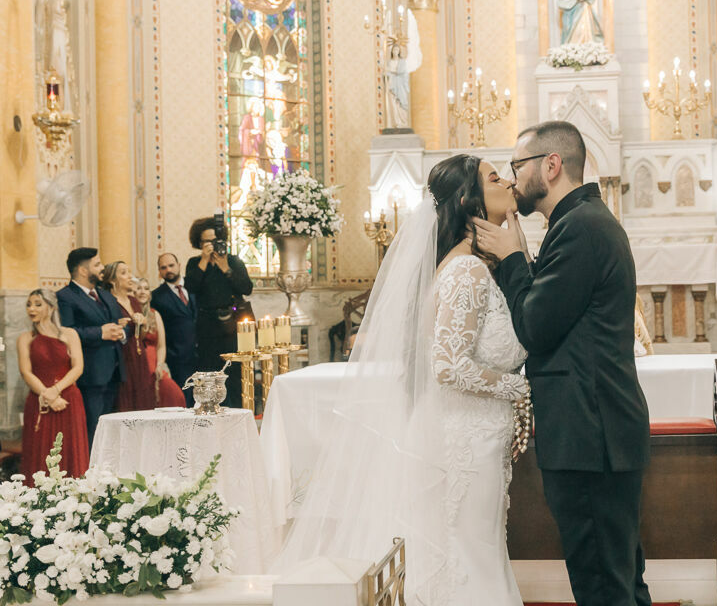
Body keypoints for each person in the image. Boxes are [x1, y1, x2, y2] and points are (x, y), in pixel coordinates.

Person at [276, 154, 531, 606]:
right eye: (495, 177)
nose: (508, 182)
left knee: (476, 553)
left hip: (478, 436)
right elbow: (449, 365)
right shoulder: (466, 270)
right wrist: (521, 389)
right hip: (464, 443)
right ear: (468, 199)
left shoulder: (479, 264)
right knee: (469, 560)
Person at [474, 120, 653, 606]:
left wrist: (512, 258)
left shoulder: (581, 228)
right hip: (595, 431)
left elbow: (535, 327)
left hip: (590, 435)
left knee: (603, 588)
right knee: (617, 581)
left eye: (517, 166)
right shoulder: (579, 222)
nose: (512, 179)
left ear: (551, 166)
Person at [56, 247, 128, 445]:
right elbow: (66, 332)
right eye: (97, 264)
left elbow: (121, 323)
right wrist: (100, 333)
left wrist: (122, 332)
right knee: (92, 429)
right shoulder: (65, 296)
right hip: (91, 373)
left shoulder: (105, 295)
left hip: (114, 371)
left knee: (110, 429)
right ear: (82, 270)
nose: (102, 267)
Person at [18, 289, 88, 485]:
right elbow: (26, 372)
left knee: (70, 450)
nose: (32, 309)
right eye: (29, 304)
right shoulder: (25, 338)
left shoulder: (69, 334)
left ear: (51, 307)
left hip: (68, 400)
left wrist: (56, 391)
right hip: (39, 400)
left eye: (38, 304)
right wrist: (47, 395)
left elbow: (78, 367)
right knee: (39, 452)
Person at [185, 217, 253, 408]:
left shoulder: (233, 261)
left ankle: (239, 411)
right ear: (199, 243)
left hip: (232, 325)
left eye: (215, 240)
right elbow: (190, 286)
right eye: (207, 241)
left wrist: (226, 269)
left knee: (234, 374)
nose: (212, 245)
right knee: (209, 374)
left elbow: (246, 288)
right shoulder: (195, 263)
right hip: (207, 327)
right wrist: (205, 261)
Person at [104, 261, 155, 413]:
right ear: (113, 280)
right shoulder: (109, 302)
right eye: (124, 273)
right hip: (122, 358)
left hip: (139, 355)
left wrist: (143, 322)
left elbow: (142, 335)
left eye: (129, 272)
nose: (130, 277)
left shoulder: (133, 301)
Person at [151, 253, 199, 406]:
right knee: (185, 401)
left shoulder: (196, 286)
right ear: (159, 272)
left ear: (179, 265)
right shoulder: (157, 297)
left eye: (171, 265)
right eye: (163, 267)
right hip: (178, 358)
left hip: (203, 354)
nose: (168, 270)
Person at [134, 277, 187, 408]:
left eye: (146, 289)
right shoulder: (129, 313)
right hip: (137, 365)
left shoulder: (155, 314)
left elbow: (161, 345)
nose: (142, 292)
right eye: (138, 288)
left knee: (175, 394)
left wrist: (159, 365)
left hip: (154, 366)